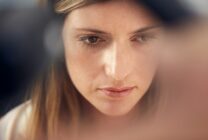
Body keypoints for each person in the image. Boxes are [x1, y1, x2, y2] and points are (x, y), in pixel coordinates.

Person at [0, 0, 162, 140]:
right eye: (92, 39)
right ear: (56, 41)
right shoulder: (15, 132)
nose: (117, 72)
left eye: (143, 38)